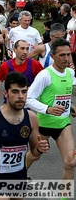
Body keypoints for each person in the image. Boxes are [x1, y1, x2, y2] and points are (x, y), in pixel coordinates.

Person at [0, 72, 49, 197]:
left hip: (19, 175)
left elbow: (34, 153)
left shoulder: (32, 118)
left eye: (24, 92)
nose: (21, 96)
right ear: (6, 93)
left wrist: (39, 148)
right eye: (15, 92)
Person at [26, 38, 76, 184]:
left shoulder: (70, 74)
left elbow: (62, 97)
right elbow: (29, 99)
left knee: (70, 162)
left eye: (68, 54)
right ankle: (16, 178)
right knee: (34, 156)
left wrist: (71, 107)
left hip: (63, 124)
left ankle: (63, 198)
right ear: (52, 56)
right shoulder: (45, 75)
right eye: (62, 55)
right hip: (44, 125)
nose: (66, 58)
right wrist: (48, 109)